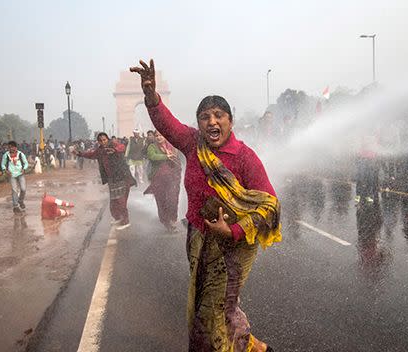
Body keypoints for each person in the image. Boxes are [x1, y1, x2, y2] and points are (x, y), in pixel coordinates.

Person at [131, 59, 280, 352]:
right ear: (199, 123)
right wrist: (151, 97)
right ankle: (253, 347)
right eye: (205, 117)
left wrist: (234, 230)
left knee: (211, 313)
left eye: (218, 115)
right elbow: (167, 124)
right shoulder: (192, 143)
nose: (212, 122)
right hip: (198, 238)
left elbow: (270, 206)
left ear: (230, 121)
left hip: (233, 246)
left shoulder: (244, 157)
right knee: (217, 305)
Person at [76, 132, 136, 229]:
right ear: (98, 142)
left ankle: (126, 221)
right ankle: (118, 218)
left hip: (122, 177)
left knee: (121, 201)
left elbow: (122, 147)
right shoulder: (100, 151)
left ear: (107, 139)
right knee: (114, 201)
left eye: (104, 140)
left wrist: (114, 150)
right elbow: (91, 154)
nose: (103, 142)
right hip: (111, 179)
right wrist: (79, 153)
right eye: (101, 141)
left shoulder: (114, 145)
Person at [144, 131, 182, 232]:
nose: (159, 137)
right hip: (158, 180)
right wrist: (166, 157)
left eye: (161, 135)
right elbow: (152, 157)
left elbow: (178, 161)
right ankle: (166, 222)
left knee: (172, 199)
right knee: (161, 201)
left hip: (172, 179)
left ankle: (172, 219)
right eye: (157, 136)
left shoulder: (172, 147)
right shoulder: (152, 147)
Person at [1, 141, 29, 213]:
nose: (11, 149)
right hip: (12, 175)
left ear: (15, 147)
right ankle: (15, 206)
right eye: (9, 147)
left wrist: (24, 169)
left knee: (23, 189)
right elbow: (3, 164)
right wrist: (5, 170)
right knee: (14, 190)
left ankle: (20, 200)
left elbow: (26, 163)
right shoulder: (6, 155)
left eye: (12, 147)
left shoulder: (20, 154)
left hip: (20, 173)